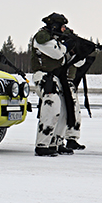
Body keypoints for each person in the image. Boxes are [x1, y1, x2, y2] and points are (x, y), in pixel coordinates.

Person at [31, 13, 75, 156]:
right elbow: (57, 53)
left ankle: (56, 142)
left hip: (58, 78)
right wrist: (67, 45)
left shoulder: (56, 39)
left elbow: (72, 60)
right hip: (45, 77)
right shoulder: (42, 38)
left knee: (63, 111)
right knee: (51, 108)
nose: (64, 29)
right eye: (62, 27)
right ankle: (42, 144)